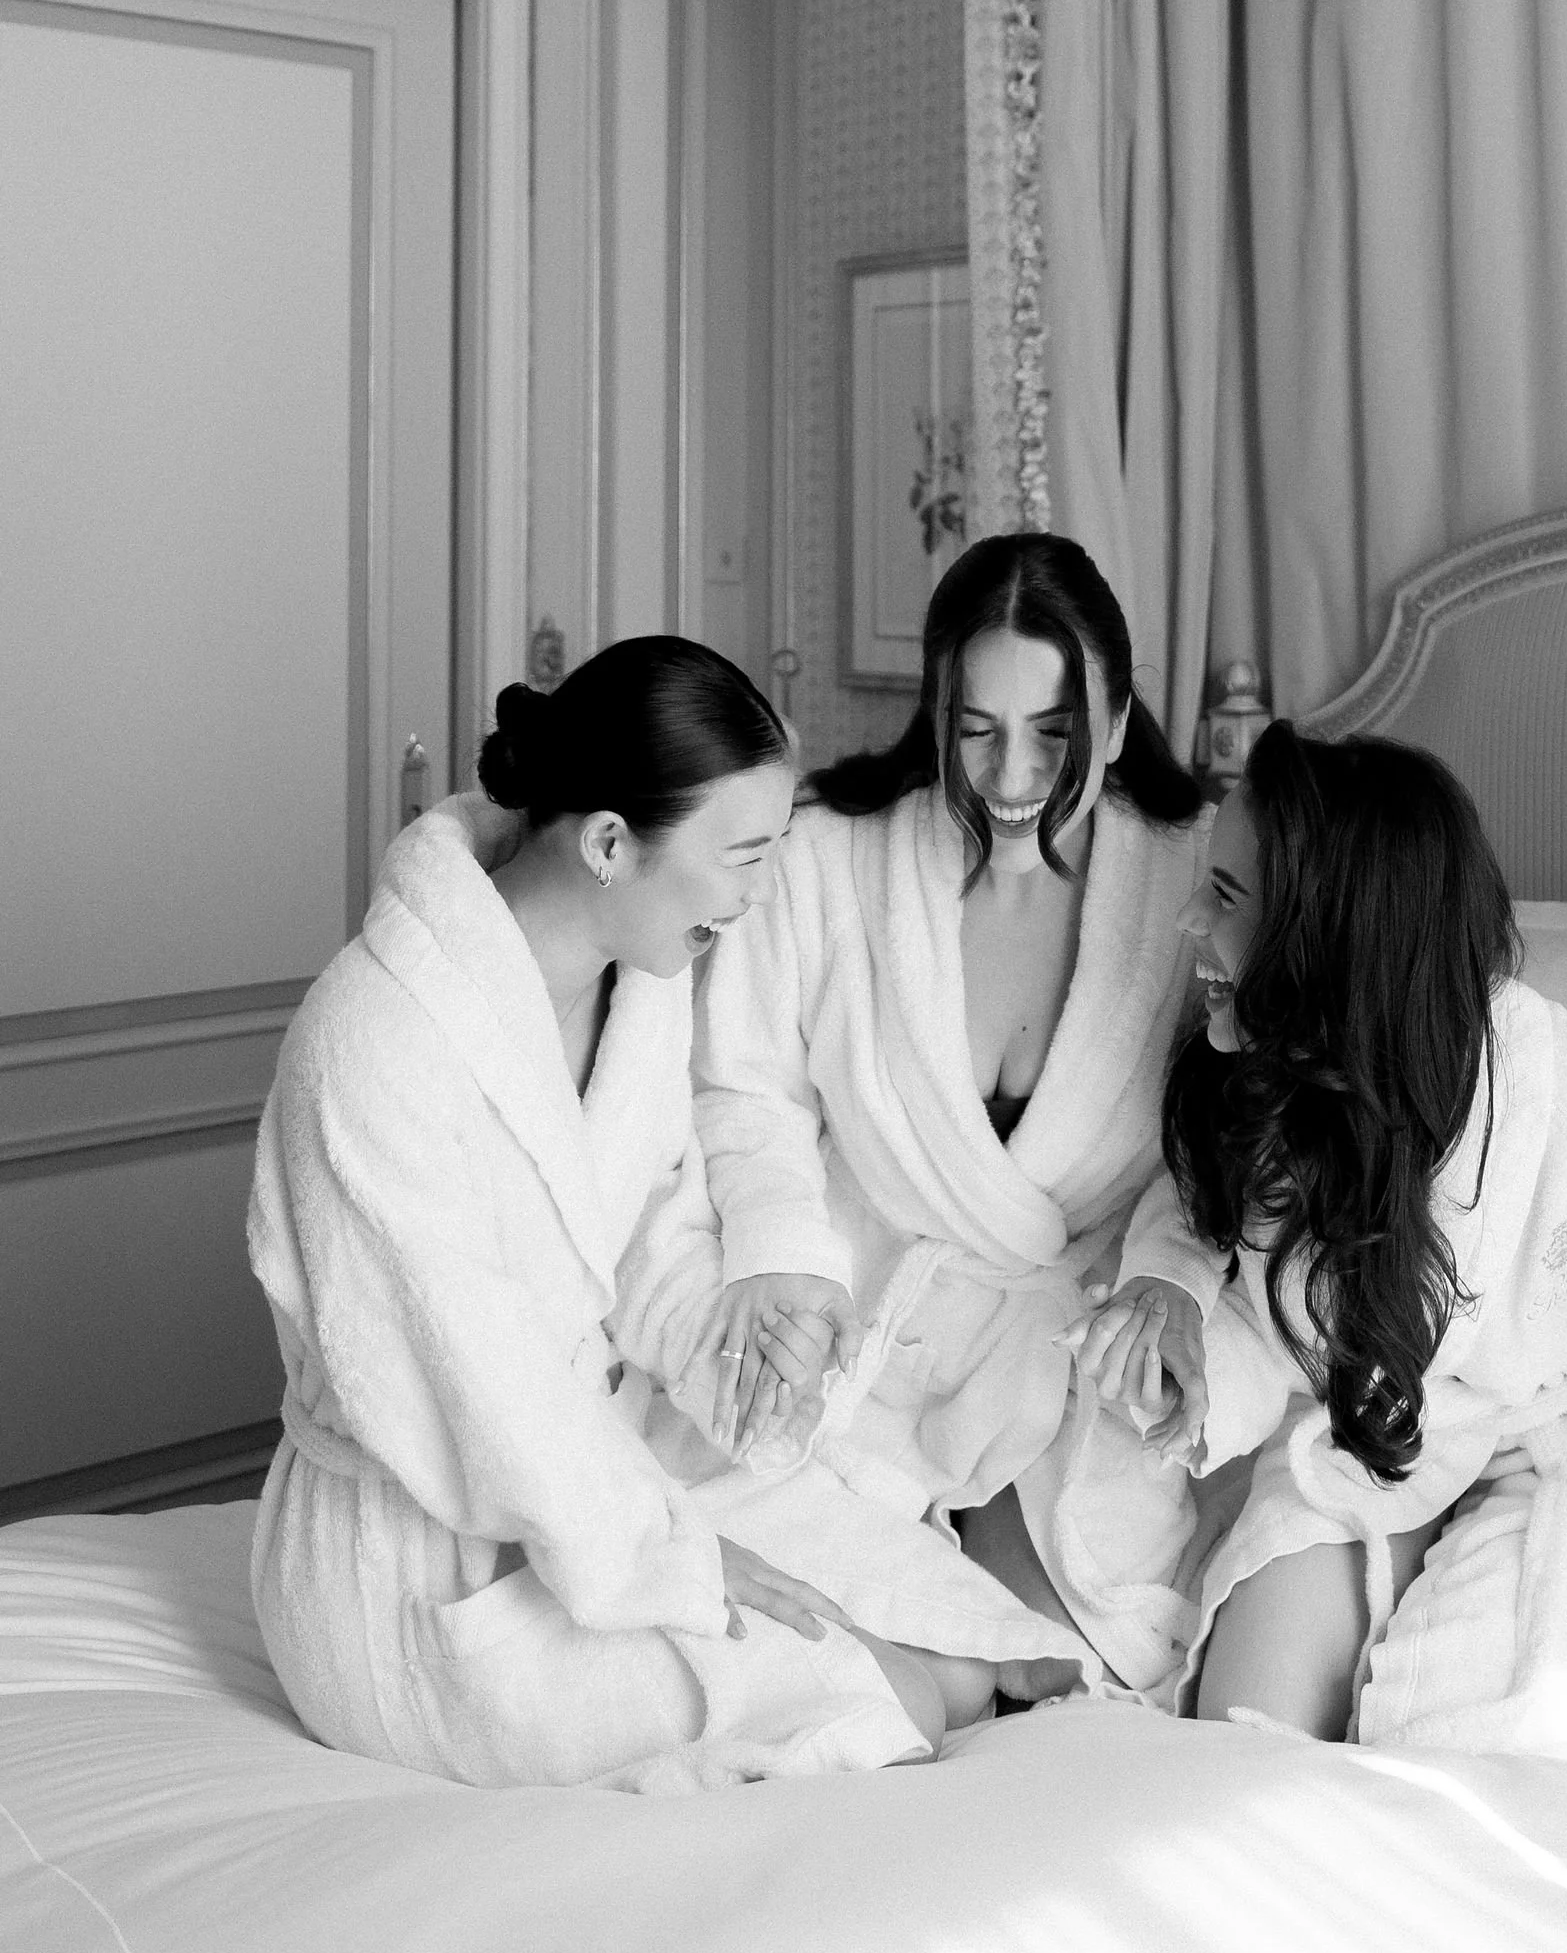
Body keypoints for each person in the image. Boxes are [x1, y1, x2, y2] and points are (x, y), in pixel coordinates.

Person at [248, 639, 1070, 1792]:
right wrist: (676, 1555)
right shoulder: (373, 1047)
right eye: (742, 857)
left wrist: (735, 1344)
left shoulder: (639, 983)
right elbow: (476, 1383)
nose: (758, 896)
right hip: (418, 1562)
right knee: (904, 1697)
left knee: (972, 1655)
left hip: (592, 1472)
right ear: (607, 843)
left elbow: (641, 1234)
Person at [1084, 722, 1567, 1752]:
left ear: (1323, 933)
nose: (1184, 924)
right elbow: (1269, 1307)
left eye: (1222, 896)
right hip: (1392, 1436)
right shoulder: (1279, 1082)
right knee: (1239, 1733)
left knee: (1452, 1755)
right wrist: (1198, 1364)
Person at [691, 535, 1210, 1696]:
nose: (1010, 776)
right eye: (975, 730)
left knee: (1058, 1685)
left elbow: (1212, 1137)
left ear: (1120, 724)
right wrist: (781, 1258)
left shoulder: (1188, 883)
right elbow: (745, 1082)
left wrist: (1170, 1275)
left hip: (1062, 1350)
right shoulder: (832, 855)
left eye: (1054, 733)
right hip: (865, 1322)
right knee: (810, 1660)